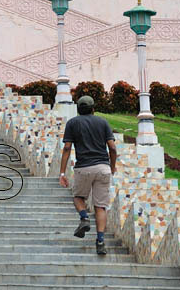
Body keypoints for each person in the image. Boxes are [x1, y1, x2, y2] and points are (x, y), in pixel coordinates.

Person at [58, 94, 117, 256]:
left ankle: (84, 217)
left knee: (78, 197)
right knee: (100, 206)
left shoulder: (72, 123)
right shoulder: (103, 122)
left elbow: (67, 148)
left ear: (78, 109)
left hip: (83, 167)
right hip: (103, 168)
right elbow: (112, 148)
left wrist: (62, 172)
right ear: (93, 109)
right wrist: (112, 167)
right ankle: (100, 241)